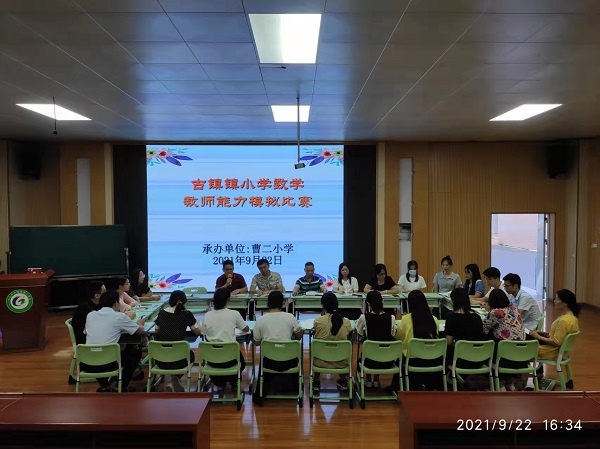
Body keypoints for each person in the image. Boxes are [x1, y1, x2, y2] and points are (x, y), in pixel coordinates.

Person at [84, 289, 146, 392]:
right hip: (109, 363)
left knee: (100, 351)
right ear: (116, 303)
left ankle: (105, 386)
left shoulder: (90, 315)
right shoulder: (119, 316)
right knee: (135, 353)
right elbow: (140, 331)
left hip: (87, 362)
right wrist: (140, 323)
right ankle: (121, 386)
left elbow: (86, 332)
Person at [253, 291, 303, 399]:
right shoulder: (290, 317)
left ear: (268, 303)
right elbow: (299, 335)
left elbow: (256, 342)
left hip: (268, 362)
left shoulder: (261, 320)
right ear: (283, 304)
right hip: (289, 361)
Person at [393, 290, 442, 391]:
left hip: (413, 361)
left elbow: (398, 338)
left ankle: (397, 386)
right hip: (432, 360)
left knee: (399, 355)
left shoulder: (406, 319)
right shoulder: (434, 319)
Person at [154, 290, 202, 392]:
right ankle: (175, 379)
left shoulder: (162, 313)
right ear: (180, 302)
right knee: (190, 355)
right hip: (179, 361)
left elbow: (156, 331)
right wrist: (197, 322)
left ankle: (174, 380)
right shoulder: (186, 314)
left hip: (161, 360)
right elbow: (198, 332)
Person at [201, 289, 249, 388]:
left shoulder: (207, 315)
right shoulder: (234, 314)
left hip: (212, 360)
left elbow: (205, 336)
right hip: (231, 359)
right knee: (242, 363)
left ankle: (219, 381)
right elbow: (246, 328)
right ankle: (234, 382)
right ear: (228, 300)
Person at [482, 289, 526, 390]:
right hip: (522, 353)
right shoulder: (514, 309)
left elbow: (484, 329)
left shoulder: (494, 313)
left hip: (505, 356)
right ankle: (509, 382)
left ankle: (499, 383)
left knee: (488, 343)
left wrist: (489, 312)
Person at [356, 291, 396, 388]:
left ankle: (368, 379)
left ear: (368, 303)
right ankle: (376, 380)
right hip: (388, 361)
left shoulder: (364, 317)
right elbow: (393, 334)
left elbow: (359, 332)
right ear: (382, 301)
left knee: (369, 348)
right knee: (380, 346)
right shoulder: (391, 317)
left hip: (370, 362)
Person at [312, 292, 353, 392]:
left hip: (321, 362)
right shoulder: (346, 321)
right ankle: (343, 381)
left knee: (319, 347)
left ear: (322, 306)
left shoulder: (318, 321)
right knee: (339, 347)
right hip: (341, 361)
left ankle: (316, 380)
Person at [530, 289, 580, 362]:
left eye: (557, 299)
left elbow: (556, 342)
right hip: (555, 351)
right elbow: (561, 336)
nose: (554, 301)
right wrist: (544, 333)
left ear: (565, 303)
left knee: (518, 349)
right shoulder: (572, 318)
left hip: (550, 352)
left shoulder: (563, 321)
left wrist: (538, 337)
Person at [445, 288, 485, 369]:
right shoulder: (477, 317)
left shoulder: (451, 318)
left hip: (459, 360)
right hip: (478, 359)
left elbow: (449, 342)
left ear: (453, 300)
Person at [71, 281, 105, 346]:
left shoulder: (100, 304)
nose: (107, 294)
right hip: (86, 340)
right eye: (104, 291)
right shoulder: (84, 307)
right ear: (97, 295)